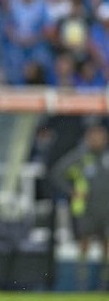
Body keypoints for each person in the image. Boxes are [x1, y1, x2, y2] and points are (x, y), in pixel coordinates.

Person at [52, 121, 109, 291]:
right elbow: (57, 173)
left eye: (101, 136)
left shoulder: (107, 157)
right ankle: (81, 282)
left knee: (107, 244)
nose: (97, 139)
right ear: (87, 137)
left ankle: (104, 283)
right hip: (86, 208)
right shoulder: (79, 157)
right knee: (84, 242)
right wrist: (71, 191)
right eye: (94, 136)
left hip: (107, 207)